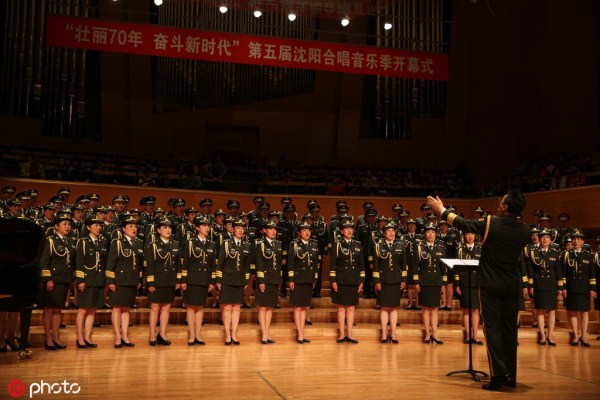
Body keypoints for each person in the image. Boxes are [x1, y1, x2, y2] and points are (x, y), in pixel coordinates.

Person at [427, 190, 530, 391]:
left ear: (506, 207)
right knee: (510, 330)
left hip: (491, 284)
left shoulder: (493, 223)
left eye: (503, 200)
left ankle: (498, 375)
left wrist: (442, 210)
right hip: (512, 284)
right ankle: (510, 376)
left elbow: (464, 224)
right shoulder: (525, 230)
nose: (500, 202)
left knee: (492, 329)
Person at [106, 215, 144, 348]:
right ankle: (117, 336)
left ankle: (125, 336)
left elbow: (139, 264)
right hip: (119, 280)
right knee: (117, 308)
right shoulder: (117, 242)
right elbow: (110, 264)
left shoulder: (138, 243)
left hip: (132, 281)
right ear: (123, 228)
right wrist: (110, 281)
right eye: (131, 227)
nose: (134, 229)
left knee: (126, 309)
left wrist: (139, 279)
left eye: (135, 227)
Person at [39, 212, 76, 350]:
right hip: (53, 281)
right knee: (49, 309)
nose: (67, 227)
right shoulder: (50, 240)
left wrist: (71, 280)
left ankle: (55, 337)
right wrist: (48, 279)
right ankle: (47, 338)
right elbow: (44, 262)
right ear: (56, 226)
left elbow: (70, 263)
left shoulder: (69, 241)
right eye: (64, 224)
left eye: (69, 224)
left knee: (57, 310)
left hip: (64, 280)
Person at [180, 216, 216, 345]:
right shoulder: (190, 242)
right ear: (197, 227)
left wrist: (212, 281)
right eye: (204, 225)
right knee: (190, 307)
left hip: (204, 279)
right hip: (191, 279)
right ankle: (191, 335)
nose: (207, 228)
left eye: (208, 226)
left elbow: (213, 266)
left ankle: (198, 335)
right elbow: (184, 263)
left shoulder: (212, 244)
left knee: (200, 307)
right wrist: (183, 280)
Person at [145, 217, 180, 346]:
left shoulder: (175, 244)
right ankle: (152, 334)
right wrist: (150, 283)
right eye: (164, 227)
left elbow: (178, 265)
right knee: (155, 307)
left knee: (166, 307)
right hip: (157, 280)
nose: (168, 230)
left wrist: (178, 279)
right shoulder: (153, 245)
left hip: (170, 280)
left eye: (169, 227)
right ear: (158, 230)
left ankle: (162, 334)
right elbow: (149, 266)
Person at [74, 217, 108, 348]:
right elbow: (79, 262)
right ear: (88, 227)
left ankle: (87, 336)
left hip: (98, 279)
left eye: (100, 225)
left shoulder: (103, 242)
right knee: (82, 310)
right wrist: (80, 280)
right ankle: (80, 337)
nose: (99, 227)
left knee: (92, 310)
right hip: (87, 280)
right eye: (95, 225)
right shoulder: (83, 242)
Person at [216, 219, 251, 345]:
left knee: (236, 307)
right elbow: (220, 263)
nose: (241, 230)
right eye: (238, 228)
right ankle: (227, 333)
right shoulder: (226, 244)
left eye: (243, 228)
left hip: (240, 279)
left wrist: (246, 280)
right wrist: (218, 279)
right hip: (226, 279)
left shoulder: (246, 245)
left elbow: (247, 266)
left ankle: (234, 334)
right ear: (232, 229)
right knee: (227, 307)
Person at [329, 220, 365, 343]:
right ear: (342, 231)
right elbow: (333, 265)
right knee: (341, 308)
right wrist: (333, 280)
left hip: (354, 280)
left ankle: (350, 334)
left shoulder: (357, 245)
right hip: (341, 280)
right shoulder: (337, 245)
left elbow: (361, 265)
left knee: (351, 308)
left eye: (351, 228)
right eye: (346, 228)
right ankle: (341, 334)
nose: (349, 231)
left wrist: (362, 281)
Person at [410, 222, 446, 345]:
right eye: (428, 232)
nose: (431, 234)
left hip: (436, 280)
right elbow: (415, 266)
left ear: (436, 234)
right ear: (424, 234)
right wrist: (416, 282)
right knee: (425, 309)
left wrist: (443, 282)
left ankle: (435, 333)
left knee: (435, 309)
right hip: (424, 280)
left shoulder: (441, 246)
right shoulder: (419, 246)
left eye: (433, 232)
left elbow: (443, 267)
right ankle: (427, 333)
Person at [373, 221, 408, 343]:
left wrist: (404, 280)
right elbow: (376, 266)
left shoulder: (401, 245)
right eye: (388, 230)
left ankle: (393, 333)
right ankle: (383, 333)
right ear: (384, 233)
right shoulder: (378, 245)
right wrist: (377, 281)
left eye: (393, 230)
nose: (391, 232)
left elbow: (404, 265)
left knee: (394, 308)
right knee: (384, 308)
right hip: (383, 281)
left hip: (396, 280)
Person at [527, 229, 563, 345]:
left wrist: (560, 288)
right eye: (542, 237)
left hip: (551, 285)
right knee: (541, 310)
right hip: (539, 285)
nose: (544, 239)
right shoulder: (534, 253)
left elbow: (559, 272)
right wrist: (531, 285)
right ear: (539, 239)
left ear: (551, 240)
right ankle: (542, 334)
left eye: (547, 237)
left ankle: (550, 335)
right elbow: (531, 271)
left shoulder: (555, 253)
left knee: (552, 311)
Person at [562, 229, 597, 347]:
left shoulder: (588, 255)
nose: (575, 241)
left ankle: (584, 336)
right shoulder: (566, 254)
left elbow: (592, 274)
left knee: (584, 313)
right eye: (574, 239)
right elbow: (563, 273)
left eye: (578, 239)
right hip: (571, 287)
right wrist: (564, 287)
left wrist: (592, 288)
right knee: (572, 312)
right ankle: (575, 336)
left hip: (584, 288)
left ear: (583, 241)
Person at [288, 222, 320, 344]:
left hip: (308, 279)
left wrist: (314, 279)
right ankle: (299, 334)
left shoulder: (314, 245)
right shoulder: (294, 245)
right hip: (297, 280)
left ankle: (302, 332)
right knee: (297, 307)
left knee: (304, 307)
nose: (307, 232)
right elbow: (290, 263)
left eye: (308, 230)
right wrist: (291, 279)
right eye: (304, 230)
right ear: (299, 233)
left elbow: (316, 264)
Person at [255, 220, 284, 344]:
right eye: (270, 229)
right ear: (264, 230)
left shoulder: (278, 244)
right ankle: (263, 334)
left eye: (274, 229)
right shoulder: (260, 243)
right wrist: (261, 280)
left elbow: (278, 264)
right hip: (264, 279)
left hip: (274, 279)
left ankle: (267, 332)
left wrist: (279, 279)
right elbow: (259, 263)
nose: (273, 231)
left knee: (270, 307)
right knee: (262, 307)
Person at [455, 229, 483, 344]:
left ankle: (475, 335)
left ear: (475, 235)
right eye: (467, 234)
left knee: (475, 310)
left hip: (477, 283)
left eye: (472, 234)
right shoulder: (460, 248)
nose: (470, 236)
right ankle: (467, 335)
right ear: (464, 235)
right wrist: (457, 284)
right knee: (466, 309)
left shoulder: (480, 248)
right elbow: (456, 267)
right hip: (464, 282)